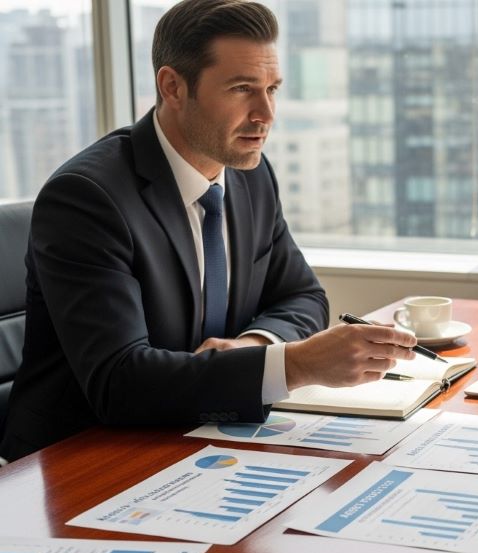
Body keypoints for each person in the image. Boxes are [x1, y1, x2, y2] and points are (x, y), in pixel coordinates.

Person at [0, 0, 416, 464]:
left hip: (196, 438)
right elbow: (119, 381)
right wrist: (295, 364)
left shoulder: (250, 176)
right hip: (80, 459)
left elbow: (302, 296)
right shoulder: (87, 198)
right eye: (242, 89)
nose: (266, 113)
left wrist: (254, 347)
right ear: (173, 87)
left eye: (272, 89)